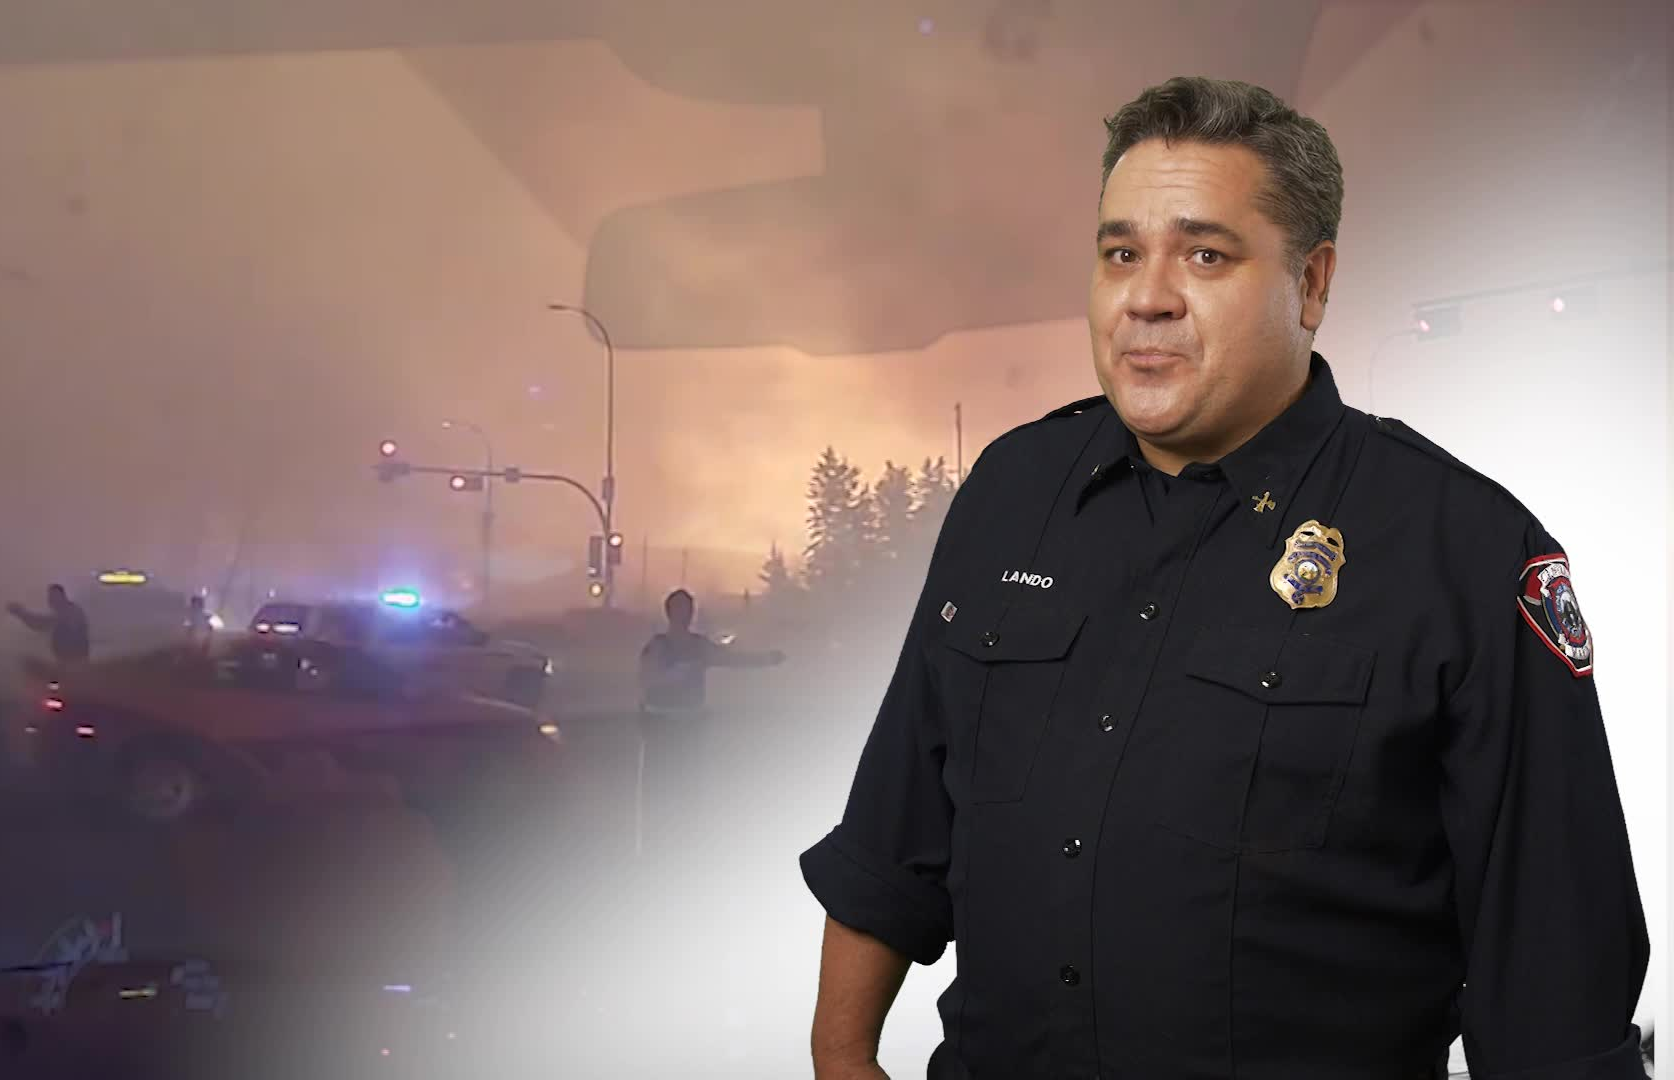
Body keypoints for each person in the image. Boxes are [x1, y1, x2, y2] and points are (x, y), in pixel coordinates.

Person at [801, 76, 1649, 1080]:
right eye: (1121, 253)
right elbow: (894, 834)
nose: (1147, 297)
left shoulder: (1463, 550)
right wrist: (841, 1057)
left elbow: (1555, 978)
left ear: (1312, 284)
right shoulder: (1011, 490)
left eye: (1205, 255)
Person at [636, 589, 784, 855]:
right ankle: (656, 849)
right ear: (671, 613)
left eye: (689, 610)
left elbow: (732, 660)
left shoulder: (697, 646)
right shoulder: (657, 648)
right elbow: (647, 681)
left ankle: (685, 847)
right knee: (660, 793)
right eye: (683, 610)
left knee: (688, 792)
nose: (687, 615)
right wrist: (673, 676)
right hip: (662, 730)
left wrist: (767, 659)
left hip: (688, 728)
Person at [7, 584, 90, 667]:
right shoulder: (66, 611)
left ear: (62, 597)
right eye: (50, 597)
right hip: (67, 662)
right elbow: (40, 625)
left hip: (74, 662)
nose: (50, 600)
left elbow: (42, 624)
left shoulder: (72, 611)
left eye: (54, 597)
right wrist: (21, 614)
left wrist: (21, 613)